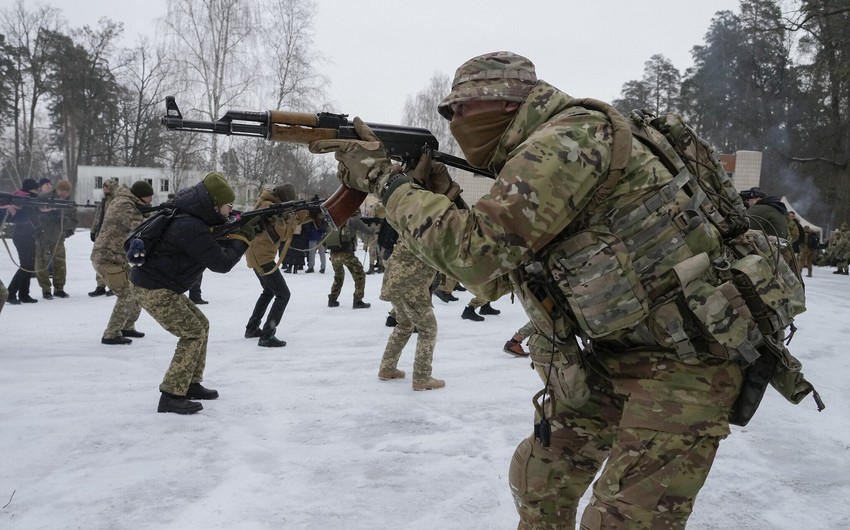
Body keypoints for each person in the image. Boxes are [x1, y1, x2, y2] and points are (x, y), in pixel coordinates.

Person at [310, 51, 754, 528]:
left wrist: (385, 179)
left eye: (462, 107)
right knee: (540, 483)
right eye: (448, 111)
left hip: (685, 360)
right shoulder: (530, 154)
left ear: (507, 101)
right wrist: (435, 196)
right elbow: (493, 278)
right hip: (606, 352)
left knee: (622, 519)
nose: (454, 120)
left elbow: (478, 254)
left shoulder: (569, 139)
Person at [131, 172, 262, 415]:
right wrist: (244, 237)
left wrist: (238, 228)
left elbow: (214, 242)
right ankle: (171, 394)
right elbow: (221, 263)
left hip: (160, 284)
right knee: (192, 333)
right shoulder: (191, 226)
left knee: (201, 325)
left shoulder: (194, 217)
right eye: (228, 205)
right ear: (214, 204)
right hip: (153, 288)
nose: (230, 209)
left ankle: (190, 383)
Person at [244, 183, 311, 347]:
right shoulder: (270, 208)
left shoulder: (266, 204)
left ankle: (252, 327)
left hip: (257, 255)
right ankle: (267, 335)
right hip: (263, 257)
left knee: (268, 291)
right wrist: (296, 218)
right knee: (283, 294)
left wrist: (304, 216)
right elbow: (284, 234)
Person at [378, 239, 444, 390]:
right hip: (411, 287)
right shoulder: (432, 233)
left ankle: (387, 368)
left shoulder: (411, 229)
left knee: (404, 325)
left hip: (393, 283)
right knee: (428, 329)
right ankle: (422, 378)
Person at [92, 180, 152, 345]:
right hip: (106, 258)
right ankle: (111, 334)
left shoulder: (129, 202)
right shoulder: (123, 205)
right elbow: (141, 225)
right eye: (149, 197)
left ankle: (127, 326)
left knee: (138, 287)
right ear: (140, 196)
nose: (151, 201)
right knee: (126, 294)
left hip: (118, 258)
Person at [35, 179, 78, 299]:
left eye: (66, 192)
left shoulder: (70, 204)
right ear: (56, 189)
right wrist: (47, 217)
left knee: (60, 263)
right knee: (41, 263)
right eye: (61, 190)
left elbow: (74, 222)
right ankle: (46, 289)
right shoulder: (44, 197)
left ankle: (59, 289)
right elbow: (34, 214)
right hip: (43, 236)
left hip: (58, 237)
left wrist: (62, 220)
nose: (63, 193)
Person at [326, 211, 373, 309]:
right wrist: (373, 224)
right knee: (360, 275)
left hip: (334, 254)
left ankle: (332, 299)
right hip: (346, 253)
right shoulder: (355, 220)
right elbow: (369, 232)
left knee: (338, 276)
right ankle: (358, 300)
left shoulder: (337, 219)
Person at [5, 179, 41, 305]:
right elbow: (24, 216)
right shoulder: (23, 199)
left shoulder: (29, 200)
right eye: (35, 189)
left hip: (29, 236)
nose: (37, 191)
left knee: (29, 266)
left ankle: (24, 294)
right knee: (26, 265)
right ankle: (10, 293)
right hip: (22, 236)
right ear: (31, 189)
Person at [89, 178, 120, 297]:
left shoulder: (117, 202)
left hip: (113, 237)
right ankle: (100, 285)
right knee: (98, 260)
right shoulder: (103, 202)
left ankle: (114, 285)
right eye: (104, 187)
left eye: (107, 187)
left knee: (113, 261)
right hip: (101, 235)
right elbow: (98, 217)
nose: (105, 189)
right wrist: (93, 231)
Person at [305, 196, 328, 274]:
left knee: (312, 253)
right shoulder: (322, 211)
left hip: (313, 234)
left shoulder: (311, 213)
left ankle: (311, 267)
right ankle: (323, 268)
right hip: (320, 234)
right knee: (321, 253)